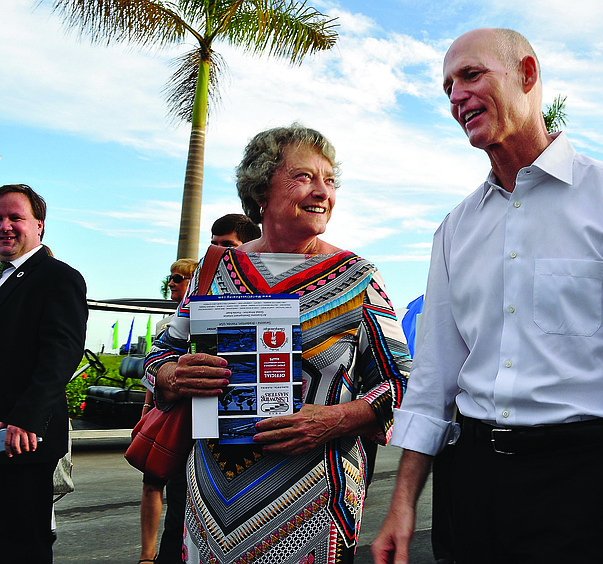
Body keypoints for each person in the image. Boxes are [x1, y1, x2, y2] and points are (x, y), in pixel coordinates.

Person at [372, 28, 603, 564]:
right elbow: (433, 376)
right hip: (471, 486)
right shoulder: (454, 228)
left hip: (583, 483)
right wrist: (403, 503)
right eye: (447, 87)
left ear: (527, 75)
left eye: (471, 75)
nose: (456, 95)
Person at [143, 124, 410, 564]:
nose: (322, 191)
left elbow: (402, 383)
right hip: (210, 507)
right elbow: (159, 356)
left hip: (311, 510)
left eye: (329, 180)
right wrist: (172, 374)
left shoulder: (357, 278)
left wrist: (336, 418)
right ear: (261, 189)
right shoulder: (214, 272)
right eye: (304, 176)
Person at [0, 184, 87, 563]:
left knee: (22, 543)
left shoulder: (57, 277)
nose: (5, 225)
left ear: (39, 226)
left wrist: (26, 420)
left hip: (21, 439)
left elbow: (60, 355)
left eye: (14, 217)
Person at [139, 259, 198, 564]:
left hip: (189, 421)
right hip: (170, 414)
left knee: (179, 497)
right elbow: (153, 369)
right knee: (154, 482)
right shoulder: (170, 326)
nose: (172, 282)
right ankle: (149, 556)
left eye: (178, 277)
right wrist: (148, 409)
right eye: (170, 278)